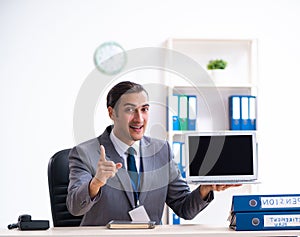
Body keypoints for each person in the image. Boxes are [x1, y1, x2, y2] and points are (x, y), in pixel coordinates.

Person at [66, 81, 240, 226]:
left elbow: (184, 208)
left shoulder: (161, 151)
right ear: (112, 113)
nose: (139, 118)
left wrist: (205, 189)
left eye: (144, 109)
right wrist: (95, 183)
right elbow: (74, 207)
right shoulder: (84, 153)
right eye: (129, 110)